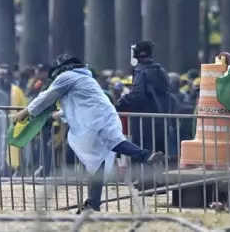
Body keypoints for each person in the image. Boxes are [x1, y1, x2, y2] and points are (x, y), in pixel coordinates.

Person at [13, 54, 164, 212]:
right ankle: (93, 203)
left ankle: (145, 157)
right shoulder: (86, 79)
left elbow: (46, 97)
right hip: (105, 116)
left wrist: (25, 112)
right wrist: (52, 117)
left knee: (107, 150)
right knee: (100, 159)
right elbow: (72, 107)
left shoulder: (67, 76)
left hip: (93, 120)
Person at [116, 40, 172, 157]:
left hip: (144, 123)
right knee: (160, 156)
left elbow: (138, 95)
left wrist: (121, 103)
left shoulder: (141, 71)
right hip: (161, 121)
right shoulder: (161, 71)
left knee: (143, 156)